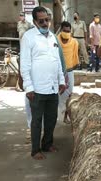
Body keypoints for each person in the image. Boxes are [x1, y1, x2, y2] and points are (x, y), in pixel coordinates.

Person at [20, 6, 65, 160]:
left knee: (52, 119)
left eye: (47, 20)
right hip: (37, 89)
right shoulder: (28, 37)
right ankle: (35, 149)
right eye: (42, 21)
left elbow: (57, 61)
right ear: (34, 22)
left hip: (52, 87)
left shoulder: (52, 37)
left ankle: (47, 144)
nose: (46, 23)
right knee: (37, 121)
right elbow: (25, 65)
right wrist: (29, 87)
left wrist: (62, 80)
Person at [57, 21, 79, 124]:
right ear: (61, 30)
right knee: (60, 96)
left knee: (69, 95)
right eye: (65, 31)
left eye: (68, 31)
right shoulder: (55, 41)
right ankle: (61, 116)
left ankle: (67, 116)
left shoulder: (74, 42)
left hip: (69, 72)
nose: (66, 32)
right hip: (58, 73)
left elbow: (75, 56)